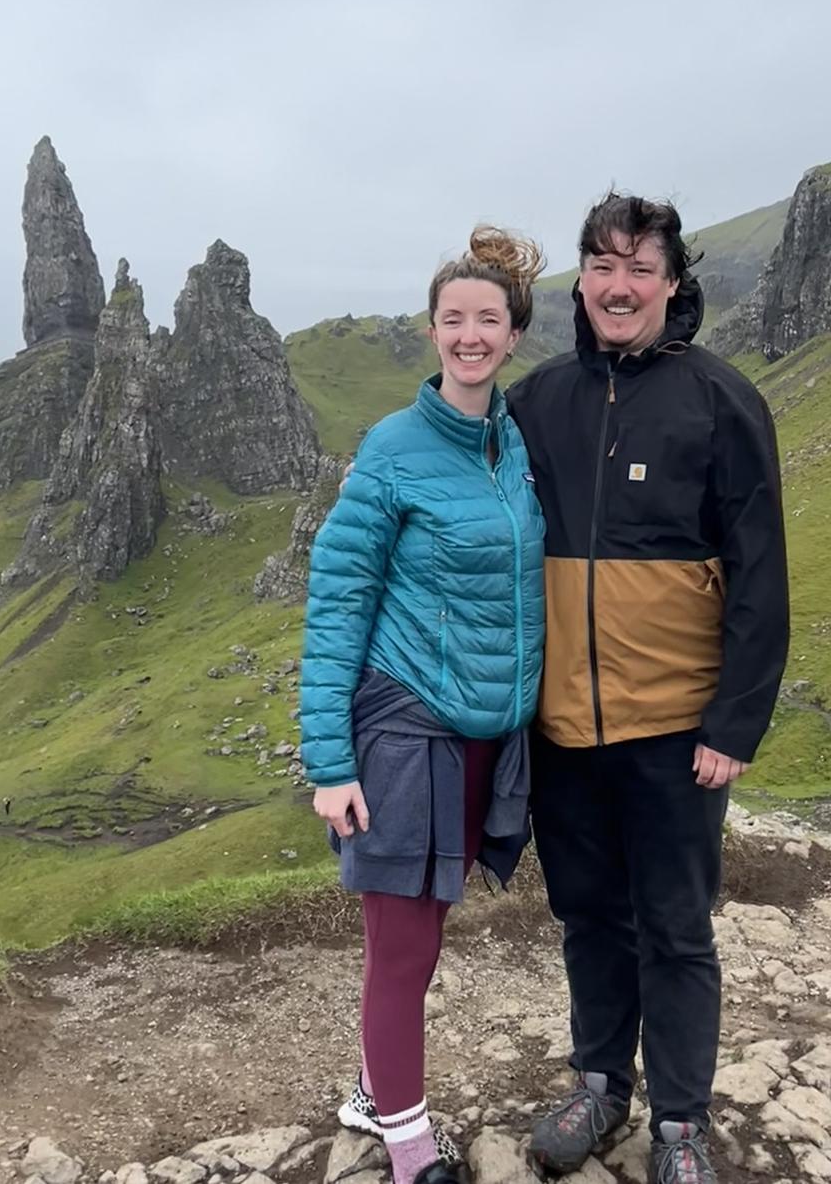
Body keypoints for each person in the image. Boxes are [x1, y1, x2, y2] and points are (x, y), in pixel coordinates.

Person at [507, 193, 790, 1184]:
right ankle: (598, 1083)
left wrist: (734, 721)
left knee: (674, 925)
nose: (617, 285)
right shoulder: (537, 402)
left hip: (676, 730)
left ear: (672, 284)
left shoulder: (721, 402)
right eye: (601, 265)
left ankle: (679, 1122)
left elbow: (761, 573)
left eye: (638, 267)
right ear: (580, 282)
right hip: (561, 729)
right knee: (588, 913)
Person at [299, 228, 548, 1184]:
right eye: (454, 320)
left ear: (514, 333)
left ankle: (373, 1086)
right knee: (402, 951)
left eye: (488, 319)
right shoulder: (392, 449)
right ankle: (407, 1148)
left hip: (487, 735)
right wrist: (332, 764)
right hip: (405, 728)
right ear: (433, 332)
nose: (470, 335)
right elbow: (337, 602)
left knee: (427, 937)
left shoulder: (513, 445)